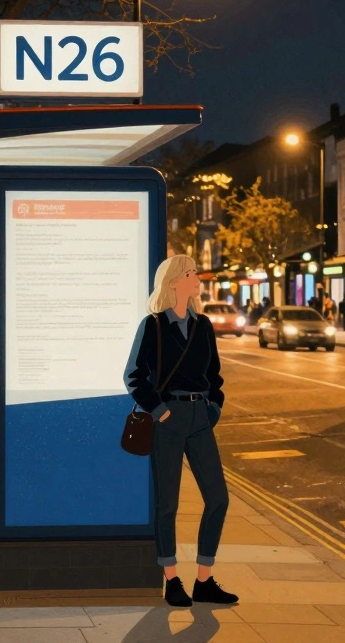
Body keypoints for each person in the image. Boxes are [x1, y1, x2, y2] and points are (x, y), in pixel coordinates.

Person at [124, 255, 238, 608]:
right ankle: (172, 579)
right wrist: (160, 412)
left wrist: (213, 409)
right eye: (190, 274)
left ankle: (204, 580)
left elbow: (215, 375)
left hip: (201, 416)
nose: (196, 278)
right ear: (173, 282)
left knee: (218, 498)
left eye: (195, 273)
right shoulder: (154, 325)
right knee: (167, 504)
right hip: (168, 419)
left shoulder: (203, 325)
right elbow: (134, 376)